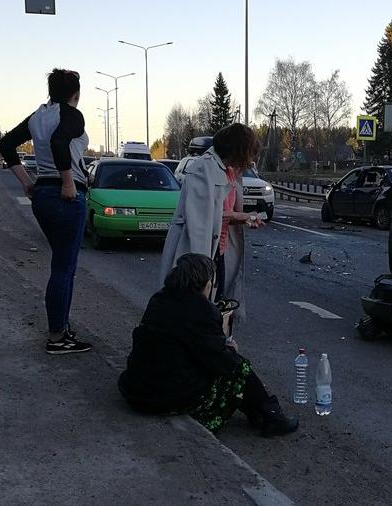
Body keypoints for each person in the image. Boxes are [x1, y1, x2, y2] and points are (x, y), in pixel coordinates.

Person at [119, 253, 298, 437]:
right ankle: (272, 416)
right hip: (165, 398)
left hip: (136, 390)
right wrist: (230, 349)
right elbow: (220, 361)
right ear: (204, 283)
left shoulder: (159, 298)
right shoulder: (200, 310)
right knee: (238, 366)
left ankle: (259, 411)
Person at [0, 68, 92, 355]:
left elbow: (5, 144)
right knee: (64, 269)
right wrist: (67, 182)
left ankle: (61, 329)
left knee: (61, 266)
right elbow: (59, 142)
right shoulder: (72, 114)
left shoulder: (38, 116)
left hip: (43, 195)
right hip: (66, 195)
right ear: (75, 93)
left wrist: (27, 182)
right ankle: (57, 337)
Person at [159, 123, 262, 315]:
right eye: (248, 153)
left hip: (218, 252)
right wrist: (202, 272)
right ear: (237, 150)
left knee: (216, 304)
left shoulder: (228, 170)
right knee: (194, 307)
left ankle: (216, 340)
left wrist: (242, 218)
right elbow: (200, 219)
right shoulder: (203, 170)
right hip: (199, 253)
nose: (248, 160)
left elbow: (219, 213)